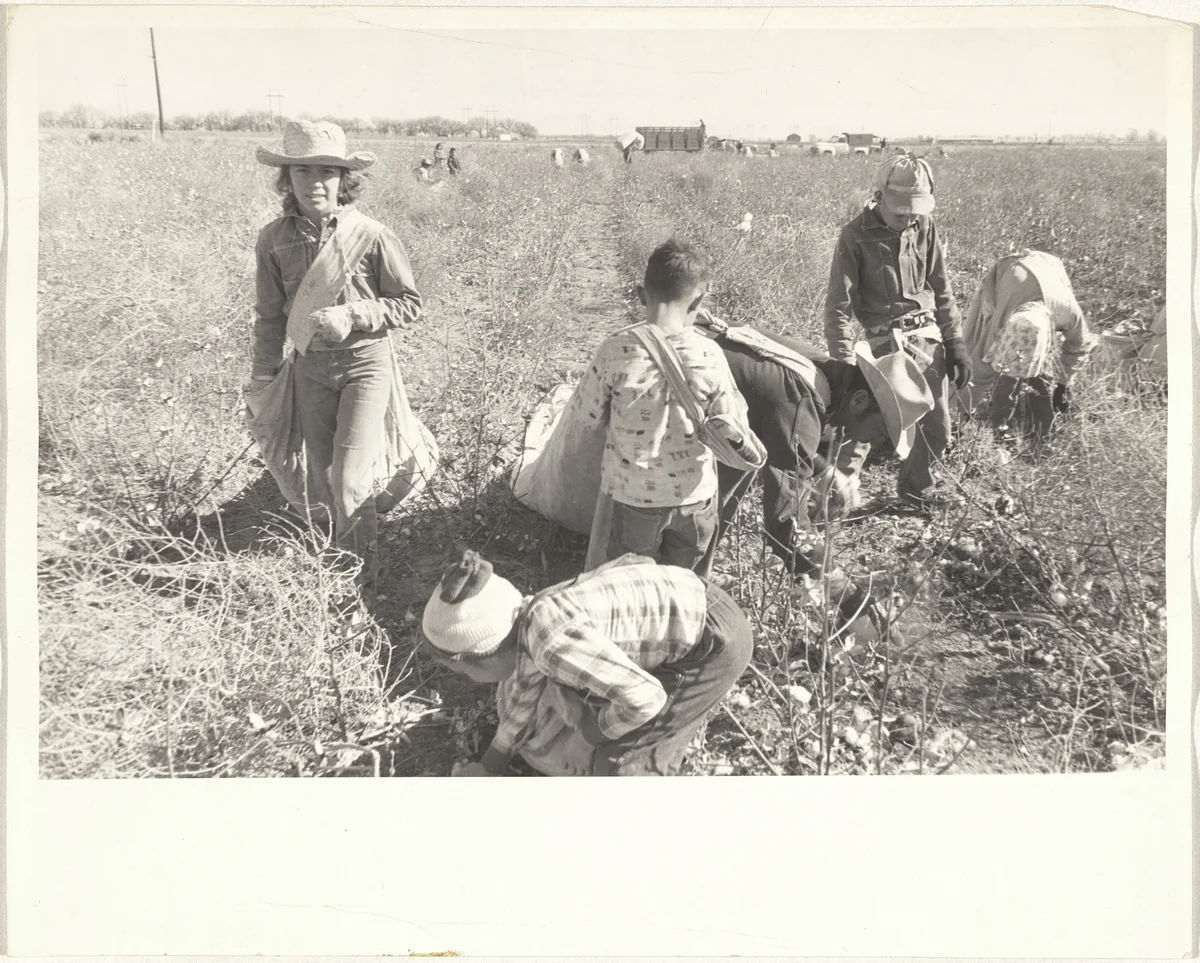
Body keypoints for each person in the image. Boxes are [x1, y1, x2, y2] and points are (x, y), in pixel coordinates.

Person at [251, 120, 423, 598]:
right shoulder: (273, 240)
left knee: (349, 480)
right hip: (309, 369)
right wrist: (262, 381)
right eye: (302, 171)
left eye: (327, 171)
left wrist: (356, 313)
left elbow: (410, 303)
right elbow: (268, 318)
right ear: (287, 179)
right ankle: (343, 559)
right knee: (324, 480)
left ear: (344, 179)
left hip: (366, 365)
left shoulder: (371, 236)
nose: (315, 182)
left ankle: (361, 581)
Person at [421, 550, 754, 777]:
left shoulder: (551, 646)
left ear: (484, 656)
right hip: (691, 603)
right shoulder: (528, 620)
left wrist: (586, 739)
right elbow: (523, 693)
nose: (469, 679)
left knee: (617, 765)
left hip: (713, 644)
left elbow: (647, 698)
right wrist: (490, 765)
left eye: (464, 672)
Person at [693, 311, 935, 581]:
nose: (873, 444)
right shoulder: (801, 401)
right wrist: (835, 582)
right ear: (859, 401)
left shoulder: (825, 374)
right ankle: (683, 576)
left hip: (693, 378)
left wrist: (826, 473)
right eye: (879, 431)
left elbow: (782, 436)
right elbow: (785, 522)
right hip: (668, 390)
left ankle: (694, 570)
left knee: (745, 457)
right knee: (722, 478)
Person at [571, 238, 765, 573]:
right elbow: (734, 421)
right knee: (686, 586)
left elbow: (586, 417)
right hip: (696, 499)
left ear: (640, 294)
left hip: (634, 502)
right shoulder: (710, 355)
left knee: (633, 586)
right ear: (699, 301)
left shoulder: (616, 350)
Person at [823, 152, 971, 512]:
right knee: (863, 432)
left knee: (938, 431)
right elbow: (838, 307)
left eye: (914, 208)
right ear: (880, 195)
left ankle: (916, 488)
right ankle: (832, 501)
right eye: (900, 208)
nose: (908, 216)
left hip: (928, 339)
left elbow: (942, 288)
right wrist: (842, 365)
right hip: (885, 347)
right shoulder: (855, 236)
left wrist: (955, 342)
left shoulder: (926, 228)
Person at [959, 249, 1100, 449]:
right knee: (974, 347)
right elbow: (979, 371)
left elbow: (1080, 344)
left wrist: (1064, 384)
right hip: (1010, 271)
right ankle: (985, 423)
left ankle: (1038, 434)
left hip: (1050, 269)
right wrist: (961, 414)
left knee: (1034, 372)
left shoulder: (1068, 313)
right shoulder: (1000, 319)